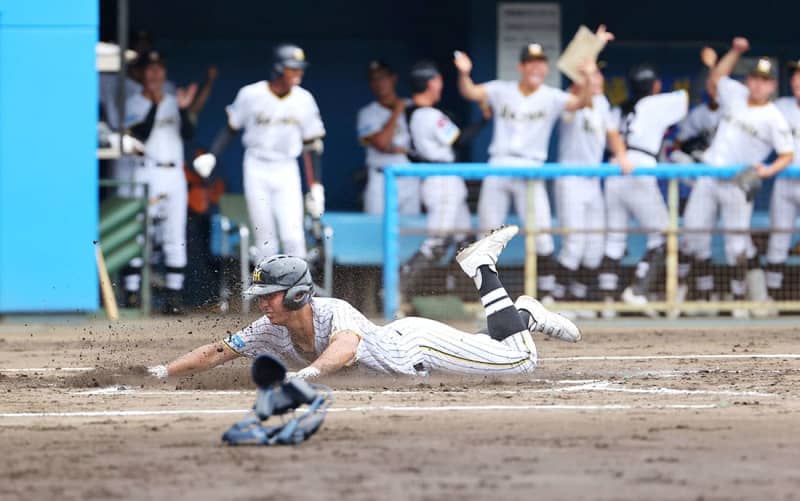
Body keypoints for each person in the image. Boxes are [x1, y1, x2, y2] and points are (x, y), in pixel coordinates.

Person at [147, 225, 581, 380]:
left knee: (520, 362)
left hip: (417, 347)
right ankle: (520, 315)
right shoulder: (269, 328)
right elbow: (216, 352)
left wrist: (310, 375)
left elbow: (347, 347)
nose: (263, 304)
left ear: (298, 293)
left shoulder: (332, 310)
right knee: (493, 350)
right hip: (407, 353)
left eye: (271, 295)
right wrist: (163, 372)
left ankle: (485, 271)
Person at [453, 26, 613, 298]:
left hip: (532, 169)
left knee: (542, 234)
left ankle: (547, 293)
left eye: (540, 63)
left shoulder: (551, 96)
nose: (536, 68)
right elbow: (471, 92)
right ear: (521, 66)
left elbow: (582, 103)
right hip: (500, 165)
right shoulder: (502, 89)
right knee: (487, 233)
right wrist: (464, 73)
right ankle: (483, 295)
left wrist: (587, 79)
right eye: (531, 63)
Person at [682, 37, 794, 317]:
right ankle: (701, 296)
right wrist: (735, 51)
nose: (758, 84)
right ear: (749, 80)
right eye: (755, 78)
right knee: (693, 235)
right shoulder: (735, 95)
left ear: (771, 85)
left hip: (737, 182)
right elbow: (717, 78)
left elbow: (787, 154)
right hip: (709, 174)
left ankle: (742, 298)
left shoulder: (774, 116)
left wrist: (767, 171)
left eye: (764, 80)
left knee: (736, 245)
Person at [193, 43, 326, 263]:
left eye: (300, 68)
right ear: (278, 68)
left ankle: (298, 293)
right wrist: (213, 155)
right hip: (256, 166)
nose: (298, 73)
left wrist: (316, 185)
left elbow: (312, 145)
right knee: (266, 239)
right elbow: (231, 128)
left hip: (287, 168)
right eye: (292, 68)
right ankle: (270, 294)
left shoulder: (304, 99)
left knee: (293, 236)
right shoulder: (251, 94)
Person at [599, 63, 689, 313]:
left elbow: (611, 131)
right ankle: (637, 290)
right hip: (639, 167)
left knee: (614, 239)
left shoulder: (621, 108)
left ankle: (606, 302)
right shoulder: (654, 103)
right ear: (655, 85)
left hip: (616, 168)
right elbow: (685, 99)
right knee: (663, 235)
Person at [122, 51, 197, 313]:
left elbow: (188, 133)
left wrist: (185, 110)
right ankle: (132, 293)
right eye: (150, 69)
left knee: (174, 233)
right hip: (147, 172)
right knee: (142, 233)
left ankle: (173, 297)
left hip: (174, 173)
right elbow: (139, 134)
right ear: (141, 74)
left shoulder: (173, 100)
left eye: (159, 69)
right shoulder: (132, 101)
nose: (155, 74)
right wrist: (154, 105)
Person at [553, 65, 632, 313]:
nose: (596, 78)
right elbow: (581, 100)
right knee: (574, 243)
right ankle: (553, 299)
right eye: (591, 75)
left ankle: (577, 299)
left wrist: (621, 155)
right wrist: (584, 75)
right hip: (570, 179)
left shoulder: (603, 103)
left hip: (592, 181)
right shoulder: (569, 100)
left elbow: (613, 133)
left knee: (594, 246)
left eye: (597, 74)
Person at [399, 61, 487, 282]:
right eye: (437, 81)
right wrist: (486, 119)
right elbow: (461, 140)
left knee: (465, 240)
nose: (440, 85)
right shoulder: (428, 115)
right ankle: (396, 289)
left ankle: (456, 288)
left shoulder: (411, 113)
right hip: (441, 179)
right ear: (429, 83)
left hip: (441, 177)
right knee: (436, 243)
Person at [357, 60, 420, 215]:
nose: (379, 83)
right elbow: (382, 143)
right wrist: (397, 110)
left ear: (393, 79)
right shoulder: (368, 113)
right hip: (381, 179)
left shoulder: (412, 107)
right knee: (376, 230)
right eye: (374, 79)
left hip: (410, 177)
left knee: (412, 231)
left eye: (383, 78)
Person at [765, 59, 800, 300]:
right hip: (785, 180)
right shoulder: (781, 106)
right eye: (795, 75)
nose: (796, 80)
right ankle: (772, 298)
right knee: (778, 238)